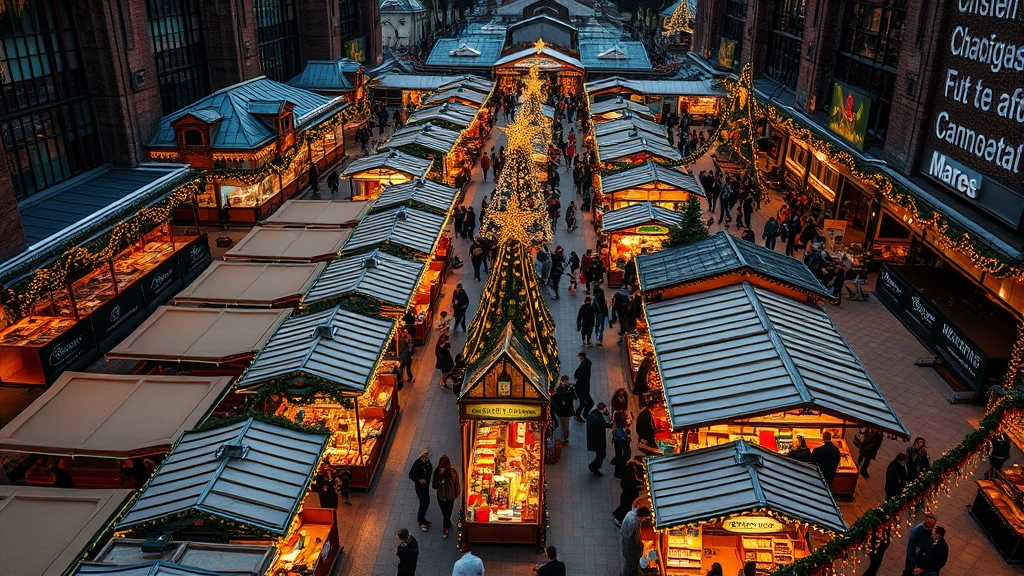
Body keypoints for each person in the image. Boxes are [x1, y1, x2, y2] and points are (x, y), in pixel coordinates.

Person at [432, 455, 461, 539]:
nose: (442, 468)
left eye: (443, 466)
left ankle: (445, 528)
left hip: (450, 497)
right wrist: (440, 479)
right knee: (444, 513)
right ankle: (448, 523)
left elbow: (456, 483)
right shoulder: (437, 472)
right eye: (441, 466)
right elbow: (434, 486)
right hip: (441, 497)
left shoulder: (452, 472)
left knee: (447, 513)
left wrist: (457, 494)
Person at [620, 506, 650, 576]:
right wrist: (639, 545)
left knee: (628, 560)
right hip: (630, 544)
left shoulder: (631, 513)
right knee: (631, 562)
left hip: (625, 538)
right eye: (645, 518)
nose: (645, 519)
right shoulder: (635, 522)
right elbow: (634, 536)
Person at [408, 448, 433, 532]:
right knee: (424, 503)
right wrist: (419, 480)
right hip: (420, 488)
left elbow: (429, 470)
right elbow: (411, 475)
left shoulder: (427, 462)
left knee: (426, 502)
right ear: (422, 455)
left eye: (427, 455)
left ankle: (423, 519)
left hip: (425, 486)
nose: (427, 457)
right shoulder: (417, 464)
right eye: (425, 455)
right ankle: (421, 521)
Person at [614, 457, 644, 524]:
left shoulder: (630, 468)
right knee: (626, 506)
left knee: (623, 504)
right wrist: (639, 486)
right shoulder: (632, 473)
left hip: (626, 492)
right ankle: (619, 519)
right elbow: (630, 485)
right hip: (629, 493)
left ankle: (616, 514)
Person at [610, 388, 632, 479]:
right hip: (621, 437)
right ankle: (619, 470)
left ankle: (617, 461)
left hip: (619, 437)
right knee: (622, 453)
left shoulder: (619, 416)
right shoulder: (619, 415)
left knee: (619, 451)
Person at [587, 402, 612, 476]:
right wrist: (609, 425)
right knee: (602, 454)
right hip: (599, 441)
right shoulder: (600, 420)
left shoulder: (593, 414)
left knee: (600, 454)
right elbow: (602, 425)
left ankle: (593, 467)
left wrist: (608, 425)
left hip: (593, 439)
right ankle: (593, 467)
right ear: (603, 408)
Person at [552, 376, 576, 444]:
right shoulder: (560, 389)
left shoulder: (569, 389)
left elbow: (572, 398)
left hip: (565, 412)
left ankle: (565, 439)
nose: (565, 383)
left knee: (565, 426)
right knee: (563, 425)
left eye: (566, 381)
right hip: (561, 411)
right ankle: (564, 438)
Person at [573, 351, 594, 421]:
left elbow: (577, 375)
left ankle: (582, 415)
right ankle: (582, 415)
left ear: (581, 356)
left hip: (582, 388)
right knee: (586, 402)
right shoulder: (587, 363)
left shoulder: (583, 366)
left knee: (586, 402)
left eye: (579, 356)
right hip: (583, 388)